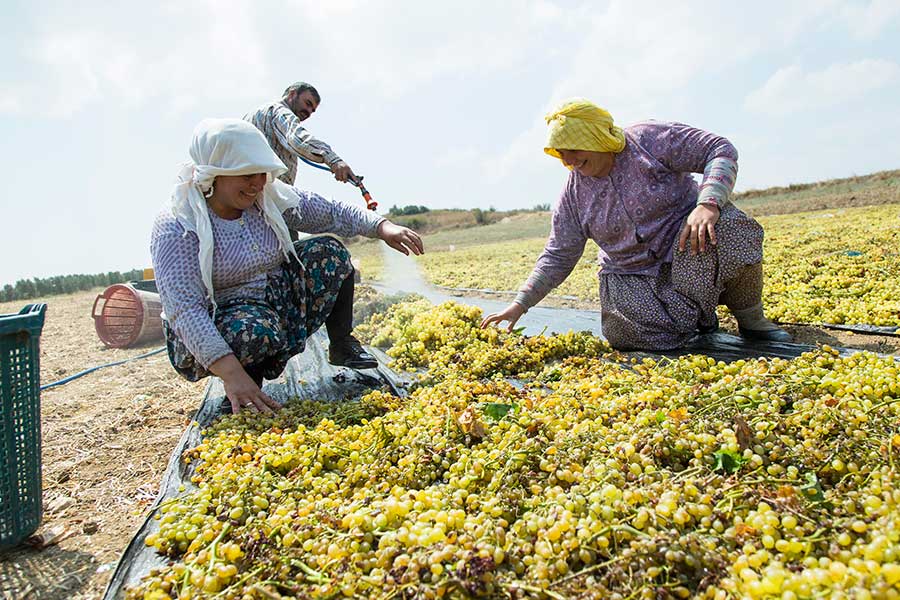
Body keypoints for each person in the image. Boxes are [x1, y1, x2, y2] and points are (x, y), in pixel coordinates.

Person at [151, 118, 424, 414]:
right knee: (255, 332)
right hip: (218, 322)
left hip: (268, 300)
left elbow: (327, 211)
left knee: (328, 251)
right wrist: (231, 374)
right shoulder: (179, 224)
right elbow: (186, 309)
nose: (257, 183)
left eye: (261, 173)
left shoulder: (267, 197)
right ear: (215, 174)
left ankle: (342, 343)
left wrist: (382, 227)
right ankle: (244, 386)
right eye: (245, 175)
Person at [481, 99, 790, 351]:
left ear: (595, 138)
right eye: (561, 154)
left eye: (573, 149)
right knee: (625, 334)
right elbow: (558, 256)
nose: (568, 160)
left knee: (731, 231)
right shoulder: (574, 195)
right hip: (632, 274)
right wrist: (519, 305)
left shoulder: (650, 141)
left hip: (688, 242)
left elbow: (719, 150)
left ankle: (752, 319)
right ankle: (700, 322)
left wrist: (708, 204)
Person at [245, 81, 356, 186]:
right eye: (307, 103)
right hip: (263, 191)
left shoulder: (255, 114)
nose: (308, 112)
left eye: (312, 110)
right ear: (292, 94)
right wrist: (333, 160)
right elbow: (297, 138)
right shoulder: (279, 111)